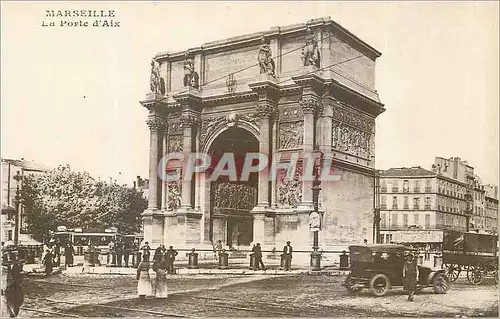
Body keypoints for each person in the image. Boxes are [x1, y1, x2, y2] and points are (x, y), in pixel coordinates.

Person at [4, 251, 24, 317]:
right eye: (9, 259)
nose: (9, 261)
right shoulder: (8, 267)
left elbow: (18, 278)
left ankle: (14, 314)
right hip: (9, 288)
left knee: (17, 301)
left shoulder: (17, 267)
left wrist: (16, 284)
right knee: (7, 302)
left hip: (16, 288)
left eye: (11, 259)